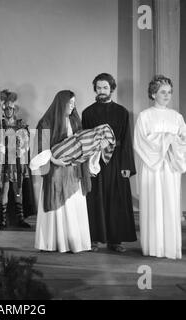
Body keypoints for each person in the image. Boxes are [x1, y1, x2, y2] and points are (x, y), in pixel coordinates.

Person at [82, 73, 137, 253]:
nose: (102, 91)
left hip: (117, 161)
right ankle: (94, 239)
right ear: (95, 89)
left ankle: (115, 240)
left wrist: (127, 166)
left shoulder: (122, 112)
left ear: (112, 89)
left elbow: (127, 140)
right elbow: (84, 139)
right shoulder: (88, 112)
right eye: (98, 88)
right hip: (95, 161)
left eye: (105, 87)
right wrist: (87, 165)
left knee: (116, 200)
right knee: (95, 199)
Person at [134, 75, 186, 259]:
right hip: (152, 167)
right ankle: (153, 247)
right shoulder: (145, 116)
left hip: (171, 166)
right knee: (154, 203)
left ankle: (171, 248)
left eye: (169, 92)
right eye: (163, 92)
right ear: (153, 93)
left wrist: (175, 142)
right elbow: (140, 142)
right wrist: (166, 139)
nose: (167, 95)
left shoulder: (177, 117)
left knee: (171, 205)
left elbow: (183, 141)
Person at [33, 90, 91, 253]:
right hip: (56, 171)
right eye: (69, 103)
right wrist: (54, 160)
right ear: (61, 103)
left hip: (73, 171)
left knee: (74, 204)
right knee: (58, 205)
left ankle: (74, 242)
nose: (72, 106)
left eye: (74, 103)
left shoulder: (75, 121)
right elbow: (41, 145)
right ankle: (53, 242)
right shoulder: (47, 121)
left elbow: (82, 142)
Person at [0, 89, 31, 229]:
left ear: (15, 109)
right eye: (5, 108)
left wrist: (22, 146)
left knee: (18, 189)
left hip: (17, 160)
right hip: (3, 160)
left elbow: (26, 142)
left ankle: (20, 218)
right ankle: (2, 219)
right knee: (4, 189)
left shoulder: (21, 124)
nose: (8, 111)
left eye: (10, 108)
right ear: (3, 109)